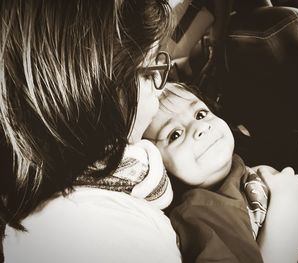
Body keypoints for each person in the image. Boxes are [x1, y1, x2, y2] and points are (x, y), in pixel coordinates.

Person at [0, 1, 182, 262]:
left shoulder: (72, 197)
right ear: (94, 93)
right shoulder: (99, 237)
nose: (160, 89)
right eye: (150, 71)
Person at [143, 82, 298, 263]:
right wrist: (287, 206)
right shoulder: (197, 214)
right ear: (155, 164)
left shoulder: (247, 171)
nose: (200, 127)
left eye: (200, 114)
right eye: (175, 134)